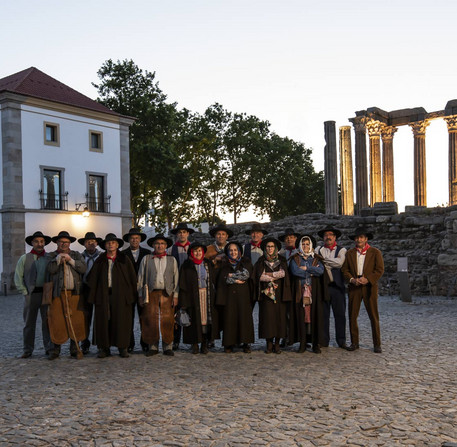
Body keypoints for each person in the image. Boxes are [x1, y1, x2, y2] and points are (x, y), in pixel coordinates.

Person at [87, 233, 138, 358]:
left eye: (113, 242)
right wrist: (94, 296)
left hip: (121, 295)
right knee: (103, 321)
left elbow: (132, 278)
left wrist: (131, 296)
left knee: (121, 321)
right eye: (108, 243)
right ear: (105, 245)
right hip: (103, 295)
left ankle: (122, 347)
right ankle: (104, 348)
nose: (111, 244)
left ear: (117, 245)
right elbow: (92, 279)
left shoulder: (124, 260)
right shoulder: (100, 260)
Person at [341, 227, 384, 353]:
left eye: (361, 237)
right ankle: (354, 342)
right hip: (354, 286)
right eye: (357, 237)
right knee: (352, 315)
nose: (358, 239)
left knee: (373, 315)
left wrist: (368, 279)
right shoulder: (349, 253)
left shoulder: (375, 252)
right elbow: (345, 270)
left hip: (369, 286)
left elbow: (379, 270)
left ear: (366, 239)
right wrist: (352, 280)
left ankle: (377, 343)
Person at [47, 231, 86, 360]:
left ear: (70, 243)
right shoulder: (51, 255)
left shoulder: (76, 255)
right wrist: (58, 260)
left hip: (74, 293)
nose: (64, 244)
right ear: (57, 243)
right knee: (57, 321)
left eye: (66, 242)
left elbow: (83, 268)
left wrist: (70, 261)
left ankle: (75, 348)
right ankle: (55, 349)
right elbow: (50, 270)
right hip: (57, 294)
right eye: (61, 242)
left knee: (76, 320)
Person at [137, 234, 179, 356]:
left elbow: (176, 278)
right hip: (151, 293)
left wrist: (175, 295)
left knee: (168, 319)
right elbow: (140, 278)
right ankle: (153, 346)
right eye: (157, 243)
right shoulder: (146, 259)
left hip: (167, 293)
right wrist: (140, 295)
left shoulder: (172, 260)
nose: (159, 246)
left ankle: (168, 346)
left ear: (166, 246)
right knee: (150, 319)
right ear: (153, 245)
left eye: (162, 244)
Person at [14, 231, 52, 358]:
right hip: (31, 295)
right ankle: (27, 349)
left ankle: (49, 347)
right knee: (29, 323)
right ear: (32, 243)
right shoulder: (24, 258)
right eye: (36, 241)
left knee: (47, 323)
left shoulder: (49, 258)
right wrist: (24, 292)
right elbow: (18, 276)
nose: (39, 244)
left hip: (46, 294)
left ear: (44, 243)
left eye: (41, 241)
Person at [178, 242, 220, 354]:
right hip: (192, 297)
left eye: (200, 251)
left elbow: (214, 279)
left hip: (207, 296)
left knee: (206, 321)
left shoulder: (208, 264)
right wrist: (183, 301)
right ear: (191, 252)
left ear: (203, 252)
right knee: (194, 321)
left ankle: (205, 344)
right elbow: (182, 284)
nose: (198, 253)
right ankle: (195, 344)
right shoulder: (186, 265)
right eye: (195, 251)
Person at [253, 237, 291, 354]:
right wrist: (275, 275)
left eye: (272, 247)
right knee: (268, 319)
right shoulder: (261, 260)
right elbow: (259, 275)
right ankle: (269, 343)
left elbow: (284, 273)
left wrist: (269, 274)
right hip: (266, 294)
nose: (270, 249)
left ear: (276, 248)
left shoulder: (282, 260)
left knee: (279, 318)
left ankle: (277, 343)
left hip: (280, 294)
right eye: (268, 247)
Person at [289, 235, 325, 353]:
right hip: (300, 291)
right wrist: (311, 270)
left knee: (315, 317)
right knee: (301, 317)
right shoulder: (295, 258)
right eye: (303, 244)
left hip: (314, 292)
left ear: (311, 245)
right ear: (300, 245)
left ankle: (315, 344)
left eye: (307, 244)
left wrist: (306, 268)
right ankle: (303, 344)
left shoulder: (316, 258)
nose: (305, 246)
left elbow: (320, 271)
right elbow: (295, 271)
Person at [216, 241, 255, 353]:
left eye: (235, 250)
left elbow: (245, 275)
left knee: (244, 319)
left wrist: (231, 276)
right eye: (231, 250)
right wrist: (234, 279)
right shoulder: (224, 264)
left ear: (239, 252)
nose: (233, 252)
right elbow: (222, 278)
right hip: (229, 297)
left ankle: (246, 343)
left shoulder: (245, 262)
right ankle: (229, 343)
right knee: (230, 319)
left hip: (243, 295)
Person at [315, 225, 348, 349]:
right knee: (323, 315)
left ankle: (341, 340)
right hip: (323, 286)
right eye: (326, 235)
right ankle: (323, 340)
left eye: (330, 235)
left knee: (340, 315)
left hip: (337, 287)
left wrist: (323, 261)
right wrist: (329, 261)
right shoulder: (318, 249)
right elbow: (317, 262)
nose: (328, 237)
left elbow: (339, 264)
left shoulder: (342, 250)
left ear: (335, 237)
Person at [122, 227, 151, 353]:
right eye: (132, 238)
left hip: (143, 289)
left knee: (144, 316)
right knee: (128, 318)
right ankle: (129, 343)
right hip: (128, 289)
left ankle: (145, 342)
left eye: (137, 238)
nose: (134, 240)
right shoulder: (123, 254)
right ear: (129, 240)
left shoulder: (147, 253)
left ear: (140, 240)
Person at [168, 222, 194, 350]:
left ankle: (190, 340)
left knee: (191, 313)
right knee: (175, 314)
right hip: (176, 285)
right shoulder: (171, 249)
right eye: (179, 232)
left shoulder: (194, 248)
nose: (182, 234)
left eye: (184, 232)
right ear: (176, 234)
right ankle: (175, 340)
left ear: (188, 233)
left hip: (191, 286)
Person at [78, 231, 103, 354]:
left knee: (99, 317)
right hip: (85, 289)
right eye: (88, 242)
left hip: (98, 290)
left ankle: (100, 343)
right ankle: (84, 342)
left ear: (97, 243)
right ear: (84, 244)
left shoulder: (102, 257)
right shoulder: (80, 257)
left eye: (93, 242)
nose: (91, 244)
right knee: (85, 317)